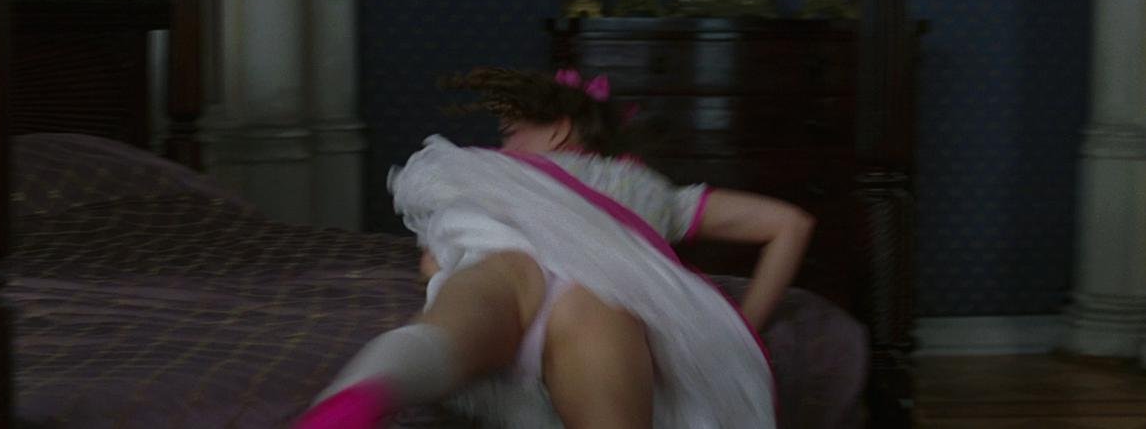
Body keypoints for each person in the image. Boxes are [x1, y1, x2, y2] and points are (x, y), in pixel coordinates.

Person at [295, 67, 814, 429]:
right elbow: (790, 224)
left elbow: (434, 260)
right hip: (599, 290)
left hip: (505, 264)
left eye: (511, 133)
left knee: (451, 329)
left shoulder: (495, 174)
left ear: (559, 130)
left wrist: (438, 266)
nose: (503, 147)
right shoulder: (645, 188)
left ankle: (368, 389)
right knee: (606, 349)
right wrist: (743, 324)